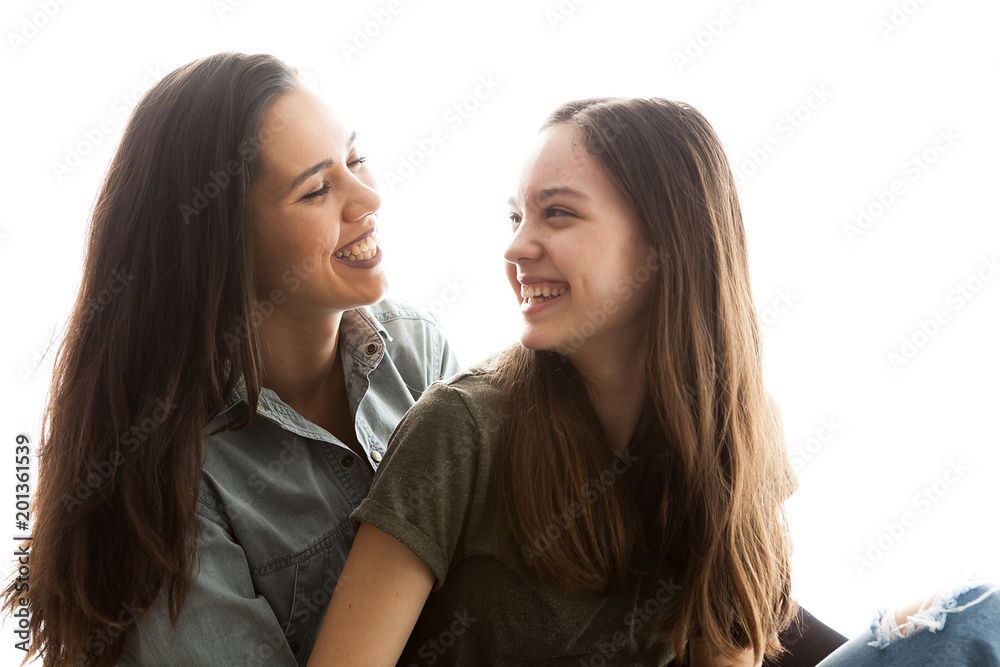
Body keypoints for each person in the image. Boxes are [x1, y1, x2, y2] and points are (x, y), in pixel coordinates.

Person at [304, 97, 1000, 667]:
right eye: (517, 216)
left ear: (665, 243)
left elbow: (729, 648)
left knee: (979, 617)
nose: (515, 247)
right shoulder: (461, 427)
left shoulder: (735, 423)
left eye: (557, 212)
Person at [0, 52, 460, 666]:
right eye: (317, 190)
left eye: (355, 159)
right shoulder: (168, 476)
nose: (368, 197)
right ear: (223, 245)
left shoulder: (416, 346)